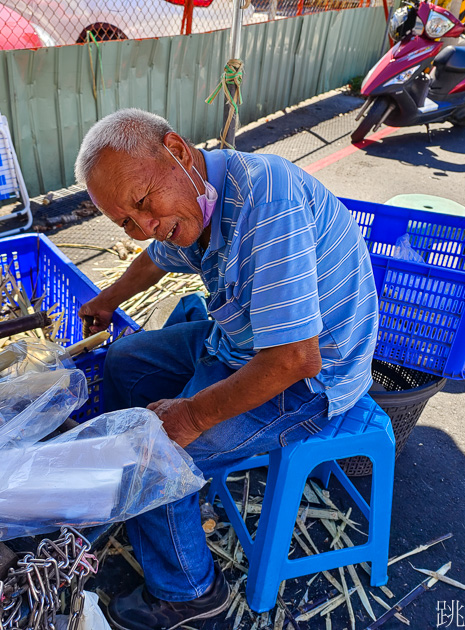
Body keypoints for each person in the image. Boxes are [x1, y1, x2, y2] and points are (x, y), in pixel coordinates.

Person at [75, 108, 378, 630]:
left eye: (143, 204)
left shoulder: (266, 201)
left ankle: (190, 594)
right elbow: (154, 259)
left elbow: (292, 360)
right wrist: (106, 299)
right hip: (237, 345)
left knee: (157, 449)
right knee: (125, 360)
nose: (143, 226)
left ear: (177, 150)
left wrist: (188, 419)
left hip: (308, 380)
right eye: (125, 221)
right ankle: (156, 504)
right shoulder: (196, 203)